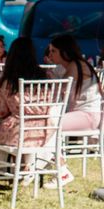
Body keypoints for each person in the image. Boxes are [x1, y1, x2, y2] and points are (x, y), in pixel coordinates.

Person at [0, 37, 50, 179]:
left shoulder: (7, 81)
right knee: (6, 127)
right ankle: (22, 170)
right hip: (44, 132)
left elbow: (1, 112)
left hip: (18, 134)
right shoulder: (46, 76)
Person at [45, 34, 102, 188]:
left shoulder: (75, 66)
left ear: (64, 51)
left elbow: (56, 93)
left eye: (53, 51)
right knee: (45, 123)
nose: (50, 55)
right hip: (82, 114)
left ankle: (62, 171)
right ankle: (46, 165)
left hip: (88, 116)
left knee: (47, 125)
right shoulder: (71, 65)